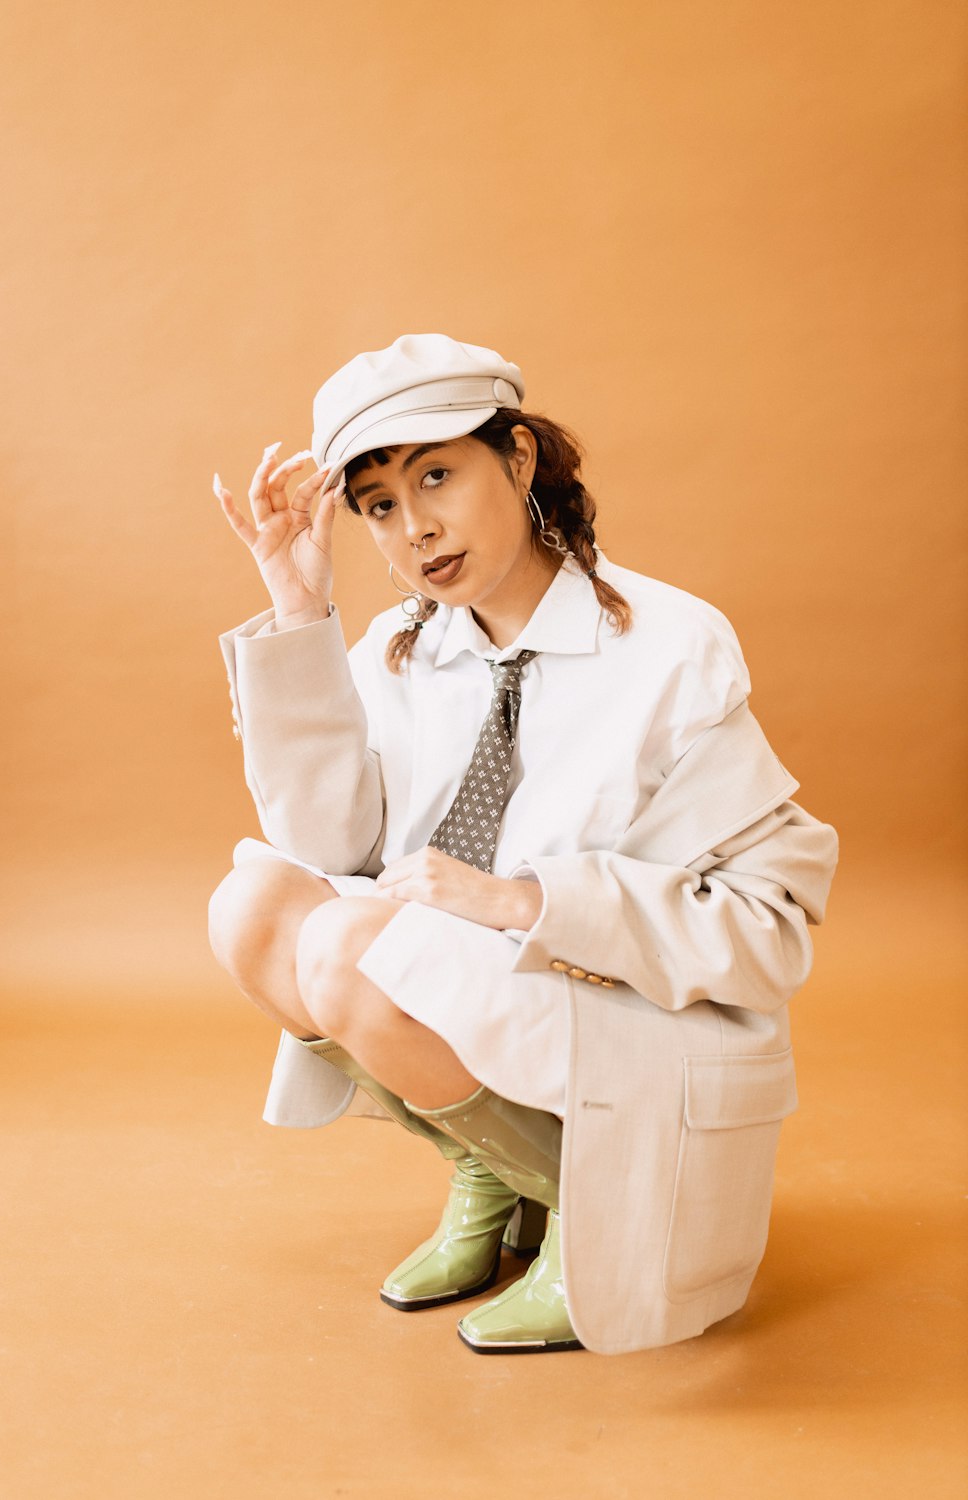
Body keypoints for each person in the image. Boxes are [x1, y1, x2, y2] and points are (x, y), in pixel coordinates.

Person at [208, 333, 839, 1357]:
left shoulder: (671, 645)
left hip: (628, 1008)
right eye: (377, 504)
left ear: (520, 460)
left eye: (437, 475)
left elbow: (770, 932)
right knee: (256, 910)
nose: (413, 527)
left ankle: (596, 1215)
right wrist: (298, 607)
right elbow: (328, 846)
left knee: (347, 946)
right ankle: (496, 1166)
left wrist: (525, 900)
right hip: (491, 999)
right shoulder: (408, 649)